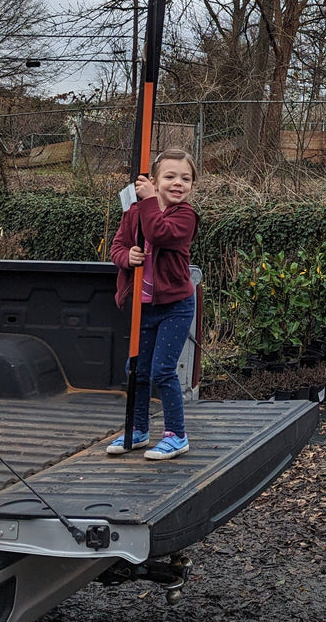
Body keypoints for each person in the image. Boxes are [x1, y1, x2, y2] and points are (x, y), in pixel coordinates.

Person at [106, 148, 199, 459]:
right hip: (142, 307)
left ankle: (176, 435)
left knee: (162, 370)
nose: (178, 183)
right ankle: (138, 429)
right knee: (137, 370)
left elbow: (159, 233)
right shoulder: (134, 211)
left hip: (175, 306)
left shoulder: (185, 215)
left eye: (185, 179)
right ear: (155, 181)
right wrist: (126, 257)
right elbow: (117, 246)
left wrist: (146, 201)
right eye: (170, 177)